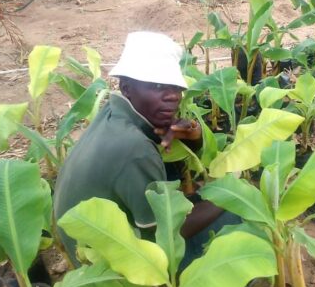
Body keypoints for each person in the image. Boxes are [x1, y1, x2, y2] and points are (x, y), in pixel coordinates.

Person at [53, 31, 239, 269]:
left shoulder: (112, 113)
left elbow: (175, 147)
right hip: (103, 262)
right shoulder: (135, 148)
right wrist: (228, 196)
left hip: (83, 237)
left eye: (175, 87)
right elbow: (165, 236)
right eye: (158, 85)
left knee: (175, 171)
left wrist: (192, 134)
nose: (172, 96)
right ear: (127, 87)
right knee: (235, 217)